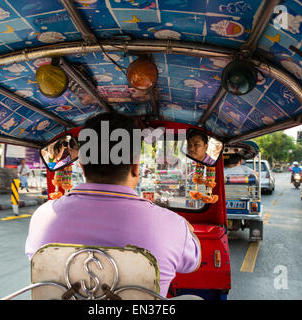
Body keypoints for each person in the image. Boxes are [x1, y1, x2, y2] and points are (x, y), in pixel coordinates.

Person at [25, 112, 202, 298]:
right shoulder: (172, 225)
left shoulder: (42, 216)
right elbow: (193, 264)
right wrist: (188, 231)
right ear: (135, 167)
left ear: (83, 165)